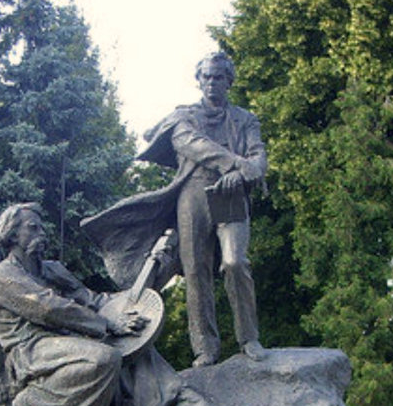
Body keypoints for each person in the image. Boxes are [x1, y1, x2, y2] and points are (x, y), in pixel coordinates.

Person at [81, 51, 267, 368]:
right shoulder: (183, 117)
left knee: (235, 262)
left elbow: (259, 157)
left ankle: (249, 338)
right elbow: (191, 144)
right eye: (206, 77)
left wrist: (244, 173)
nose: (211, 83)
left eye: (218, 77)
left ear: (229, 81)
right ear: (198, 80)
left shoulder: (245, 119)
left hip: (231, 196)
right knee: (195, 271)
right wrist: (237, 165)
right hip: (192, 193)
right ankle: (205, 348)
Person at [0, 203, 228, 406]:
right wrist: (107, 324)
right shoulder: (4, 276)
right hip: (30, 349)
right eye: (32, 227)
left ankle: (176, 399)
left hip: (67, 339)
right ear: (13, 235)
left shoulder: (51, 269)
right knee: (104, 358)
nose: (42, 232)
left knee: (133, 343)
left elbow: (94, 300)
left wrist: (142, 289)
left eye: (41, 226)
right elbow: (49, 308)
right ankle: (35, 401)